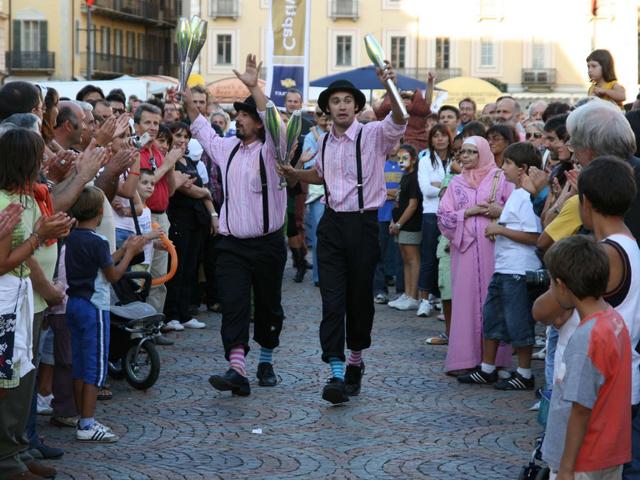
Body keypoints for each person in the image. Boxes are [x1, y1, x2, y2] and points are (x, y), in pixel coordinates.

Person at [279, 62, 407, 404]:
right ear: (327, 108)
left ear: (356, 105)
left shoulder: (373, 134)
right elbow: (320, 176)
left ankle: (355, 360)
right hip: (333, 223)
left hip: (364, 224)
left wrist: (390, 87)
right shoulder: (323, 142)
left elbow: (399, 119)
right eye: (335, 101)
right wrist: (295, 173)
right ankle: (336, 372)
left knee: (359, 299)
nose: (341, 105)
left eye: (347, 100)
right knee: (332, 301)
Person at [186, 54, 287, 396]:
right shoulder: (226, 147)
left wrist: (252, 86)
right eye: (237, 115)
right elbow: (199, 125)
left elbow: (275, 122)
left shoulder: (274, 150)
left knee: (270, 305)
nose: (238, 120)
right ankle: (237, 368)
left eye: (245, 116)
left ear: (258, 123)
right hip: (231, 245)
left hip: (267, 243)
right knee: (234, 304)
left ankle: (267, 359)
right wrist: (187, 98)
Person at [534, 157, 640, 479]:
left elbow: (544, 310)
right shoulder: (632, 246)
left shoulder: (602, 254)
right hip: (620, 382)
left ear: (587, 203)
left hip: (591, 385)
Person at [0, 129, 74, 480]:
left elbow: (36, 238)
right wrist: (39, 237)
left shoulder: (28, 196)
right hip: (6, 304)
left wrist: (53, 230)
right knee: (8, 379)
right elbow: (3, 261)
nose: (45, 160)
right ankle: (7, 460)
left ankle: (17, 449)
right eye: (39, 155)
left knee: (23, 376)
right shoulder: (4, 201)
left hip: (25, 299)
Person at [541, 235, 631, 480]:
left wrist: (567, 468)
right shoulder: (614, 320)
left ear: (562, 285)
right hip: (608, 452)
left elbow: (580, 408)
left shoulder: (586, 337)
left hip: (582, 460)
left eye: (550, 283)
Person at [457, 142, 542, 389]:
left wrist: (499, 229)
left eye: (507, 163)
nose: (503, 168)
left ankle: (524, 373)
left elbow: (534, 236)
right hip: (504, 267)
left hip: (518, 269)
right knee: (492, 318)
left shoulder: (527, 197)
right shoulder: (516, 194)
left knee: (519, 322)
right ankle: (487, 368)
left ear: (522, 168)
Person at [65, 186, 146, 443]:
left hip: (74, 303)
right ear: (100, 212)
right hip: (94, 307)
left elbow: (103, 261)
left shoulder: (72, 237)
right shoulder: (98, 241)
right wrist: (130, 253)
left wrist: (122, 251)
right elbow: (112, 275)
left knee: (79, 364)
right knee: (94, 368)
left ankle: (82, 417)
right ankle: (88, 423)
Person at [437, 136, 514, 375]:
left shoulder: (501, 179)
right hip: (466, 250)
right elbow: (443, 216)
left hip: (494, 248)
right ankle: (465, 359)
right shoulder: (456, 183)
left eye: (471, 152)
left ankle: (498, 361)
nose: (465, 156)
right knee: (466, 302)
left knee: (494, 301)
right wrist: (467, 212)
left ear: (483, 153)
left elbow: (517, 208)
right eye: (463, 152)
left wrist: (498, 211)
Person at [163, 122, 214, 331]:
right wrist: (205, 193)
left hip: (196, 221)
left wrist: (213, 213)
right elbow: (189, 190)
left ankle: (184, 312)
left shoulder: (190, 160)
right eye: (178, 136)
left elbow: (199, 188)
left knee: (190, 268)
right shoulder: (172, 161)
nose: (182, 140)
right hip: (179, 220)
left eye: (185, 136)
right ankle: (172, 313)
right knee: (177, 267)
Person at [416, 123, 452, 317]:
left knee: (447, 258)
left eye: (443, 135)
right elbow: (426, 189)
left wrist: (441, 186)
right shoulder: (425, 161)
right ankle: (424, 299)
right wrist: (445, 189)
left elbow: (458, 187)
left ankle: (442, 297)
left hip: (451, 214)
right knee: (428, 257)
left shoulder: (456, 158)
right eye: (436, 136)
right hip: (431, 213)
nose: (440, 139)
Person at [387, 145, 422, 311]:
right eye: (399, 158)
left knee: (412, 259)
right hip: (400, 223)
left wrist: (399, 223)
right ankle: (407, 294)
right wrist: (394, 222)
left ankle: (414, 296)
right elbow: (399, 200)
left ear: (414, 159)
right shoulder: (405, 176)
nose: (401, 161)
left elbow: (413, 205)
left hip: (411, 224)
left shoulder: (415, 177)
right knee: (405, 259)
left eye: (405, 158)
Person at [373, 142, 402, 304]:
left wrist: (393, 193)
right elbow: (374, 188)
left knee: (399, 255)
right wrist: (388, 193)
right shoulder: (378, 164)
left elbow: (406, 190)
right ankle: (379, 290)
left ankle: (401, 291)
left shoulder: (405, 164)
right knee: (379, 254)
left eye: (396, 142)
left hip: (400, 216)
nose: (392, 145)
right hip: (380, 215)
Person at [374, 73, 433, 151]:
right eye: (402, 98)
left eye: (408, 98)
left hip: (416, 147)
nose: (405, 101)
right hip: (392, 149)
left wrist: (430, 82)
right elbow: (377, 107)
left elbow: (427, 103)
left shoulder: (419, 111)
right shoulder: (388, 111)